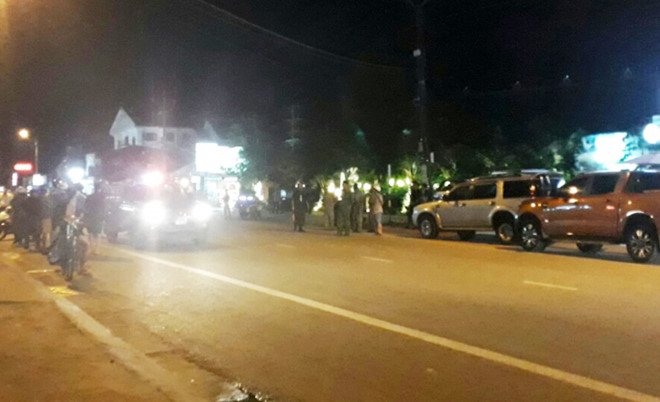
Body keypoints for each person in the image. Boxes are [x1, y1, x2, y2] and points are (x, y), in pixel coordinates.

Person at [84, 182, 105, 255]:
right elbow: (104, 208)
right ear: (100, 188)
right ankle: (97, 249)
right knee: (98, 234)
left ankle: (90, 248)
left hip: (91, 216)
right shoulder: (102, 197)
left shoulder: (89, 197)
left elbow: (86, 207)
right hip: (99, 217)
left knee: (90, 233)